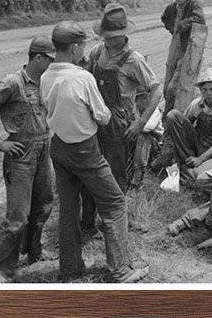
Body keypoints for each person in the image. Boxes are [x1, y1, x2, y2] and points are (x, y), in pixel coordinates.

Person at [40, 20, 147, 283]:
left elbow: (47, 111)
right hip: (85, 150)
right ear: (75, 47)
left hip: (59, 148)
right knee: (114, 202)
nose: (84, 51)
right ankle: (120, 269)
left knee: (68, 209)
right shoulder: (82, 77)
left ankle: (71, 268)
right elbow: (102, 116)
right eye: (82, 46)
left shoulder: (45, 76)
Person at [0, 35, 56, 283]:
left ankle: (33, 251)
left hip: (44, 149)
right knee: (17, 216)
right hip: (22, 155)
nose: (52, 64)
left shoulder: (44, 82)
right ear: (38, 57)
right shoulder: (13, 82)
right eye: (49, 59)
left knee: (44, 204)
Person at [85, 3, 162, 192]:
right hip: (95, 118)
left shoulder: (134, 60)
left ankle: (118, 211)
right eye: (105, 35)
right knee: (95, 168)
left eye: (111, 36)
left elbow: (157, 90)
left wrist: (141, 122)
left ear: (123, 33)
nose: (107, 39)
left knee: (117, 172)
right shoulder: (97, 52)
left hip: (119, 124)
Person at [157, 67, 212, 182]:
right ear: (201, 90)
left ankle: (186, 167)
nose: (208, 93)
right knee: (173, 115)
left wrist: (201, 159)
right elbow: (183, 126)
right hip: (196, 144)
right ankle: (183, 161)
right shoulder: (196, 104)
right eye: (205, 89)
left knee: (198, 176)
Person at [161, 0, 207, 114]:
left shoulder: (194, 4)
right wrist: (172, 29)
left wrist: (182, 25)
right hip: (175, 45)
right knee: (167, 82)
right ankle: (171, 113)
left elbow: (200, 19)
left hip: (189, 47)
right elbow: (164, 18)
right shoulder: (172, 7)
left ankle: (172, 116)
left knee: (177, 87)